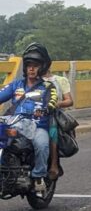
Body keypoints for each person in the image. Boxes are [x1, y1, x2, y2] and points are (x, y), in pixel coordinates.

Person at [0, 43, 58, 195]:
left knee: (41, 144)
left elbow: (53, 100)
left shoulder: (47, 86)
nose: (32, 69)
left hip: (37, 125)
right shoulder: (16, 85)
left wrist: (46, 108)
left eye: (36, 65)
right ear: (25, 68)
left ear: (42, 68)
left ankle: (39, 176)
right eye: (29, 65)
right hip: (14, 123)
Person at [43, 66, 73, 180]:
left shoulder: (60, 80)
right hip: (35, 113)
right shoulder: (31, 80)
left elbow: (69, 100)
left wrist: (57, 104)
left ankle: (54, 164)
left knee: (52, 129)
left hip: (53, 114)